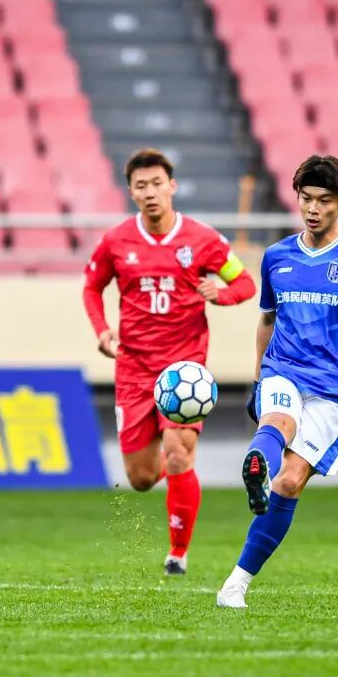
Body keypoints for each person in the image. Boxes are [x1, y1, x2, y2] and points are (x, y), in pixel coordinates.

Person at [215, 155, 338, 609]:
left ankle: (235, 584)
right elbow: (266, 320)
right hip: (283, 370)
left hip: (335, 390)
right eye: (306, 199)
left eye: (324, 200)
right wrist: (258, 378)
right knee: (277, 422)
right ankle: (257, 469)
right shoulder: (277, 257)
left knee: (291, 481)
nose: (313, 209)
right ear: (297, 199)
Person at [82, 148, 256, 575]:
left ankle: (178, 553)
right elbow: (91, 288)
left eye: (157, 183)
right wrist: (102, 331)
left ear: (172, 186)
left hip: (184, 369)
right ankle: (169, 463)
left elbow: (245, 283)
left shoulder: (203, 239)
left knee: (179, 454)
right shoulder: (116, 241)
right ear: (131, 192)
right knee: (141, 479)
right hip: (133, 367)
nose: (150, 192)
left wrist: (222, 294)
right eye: (141, 186)